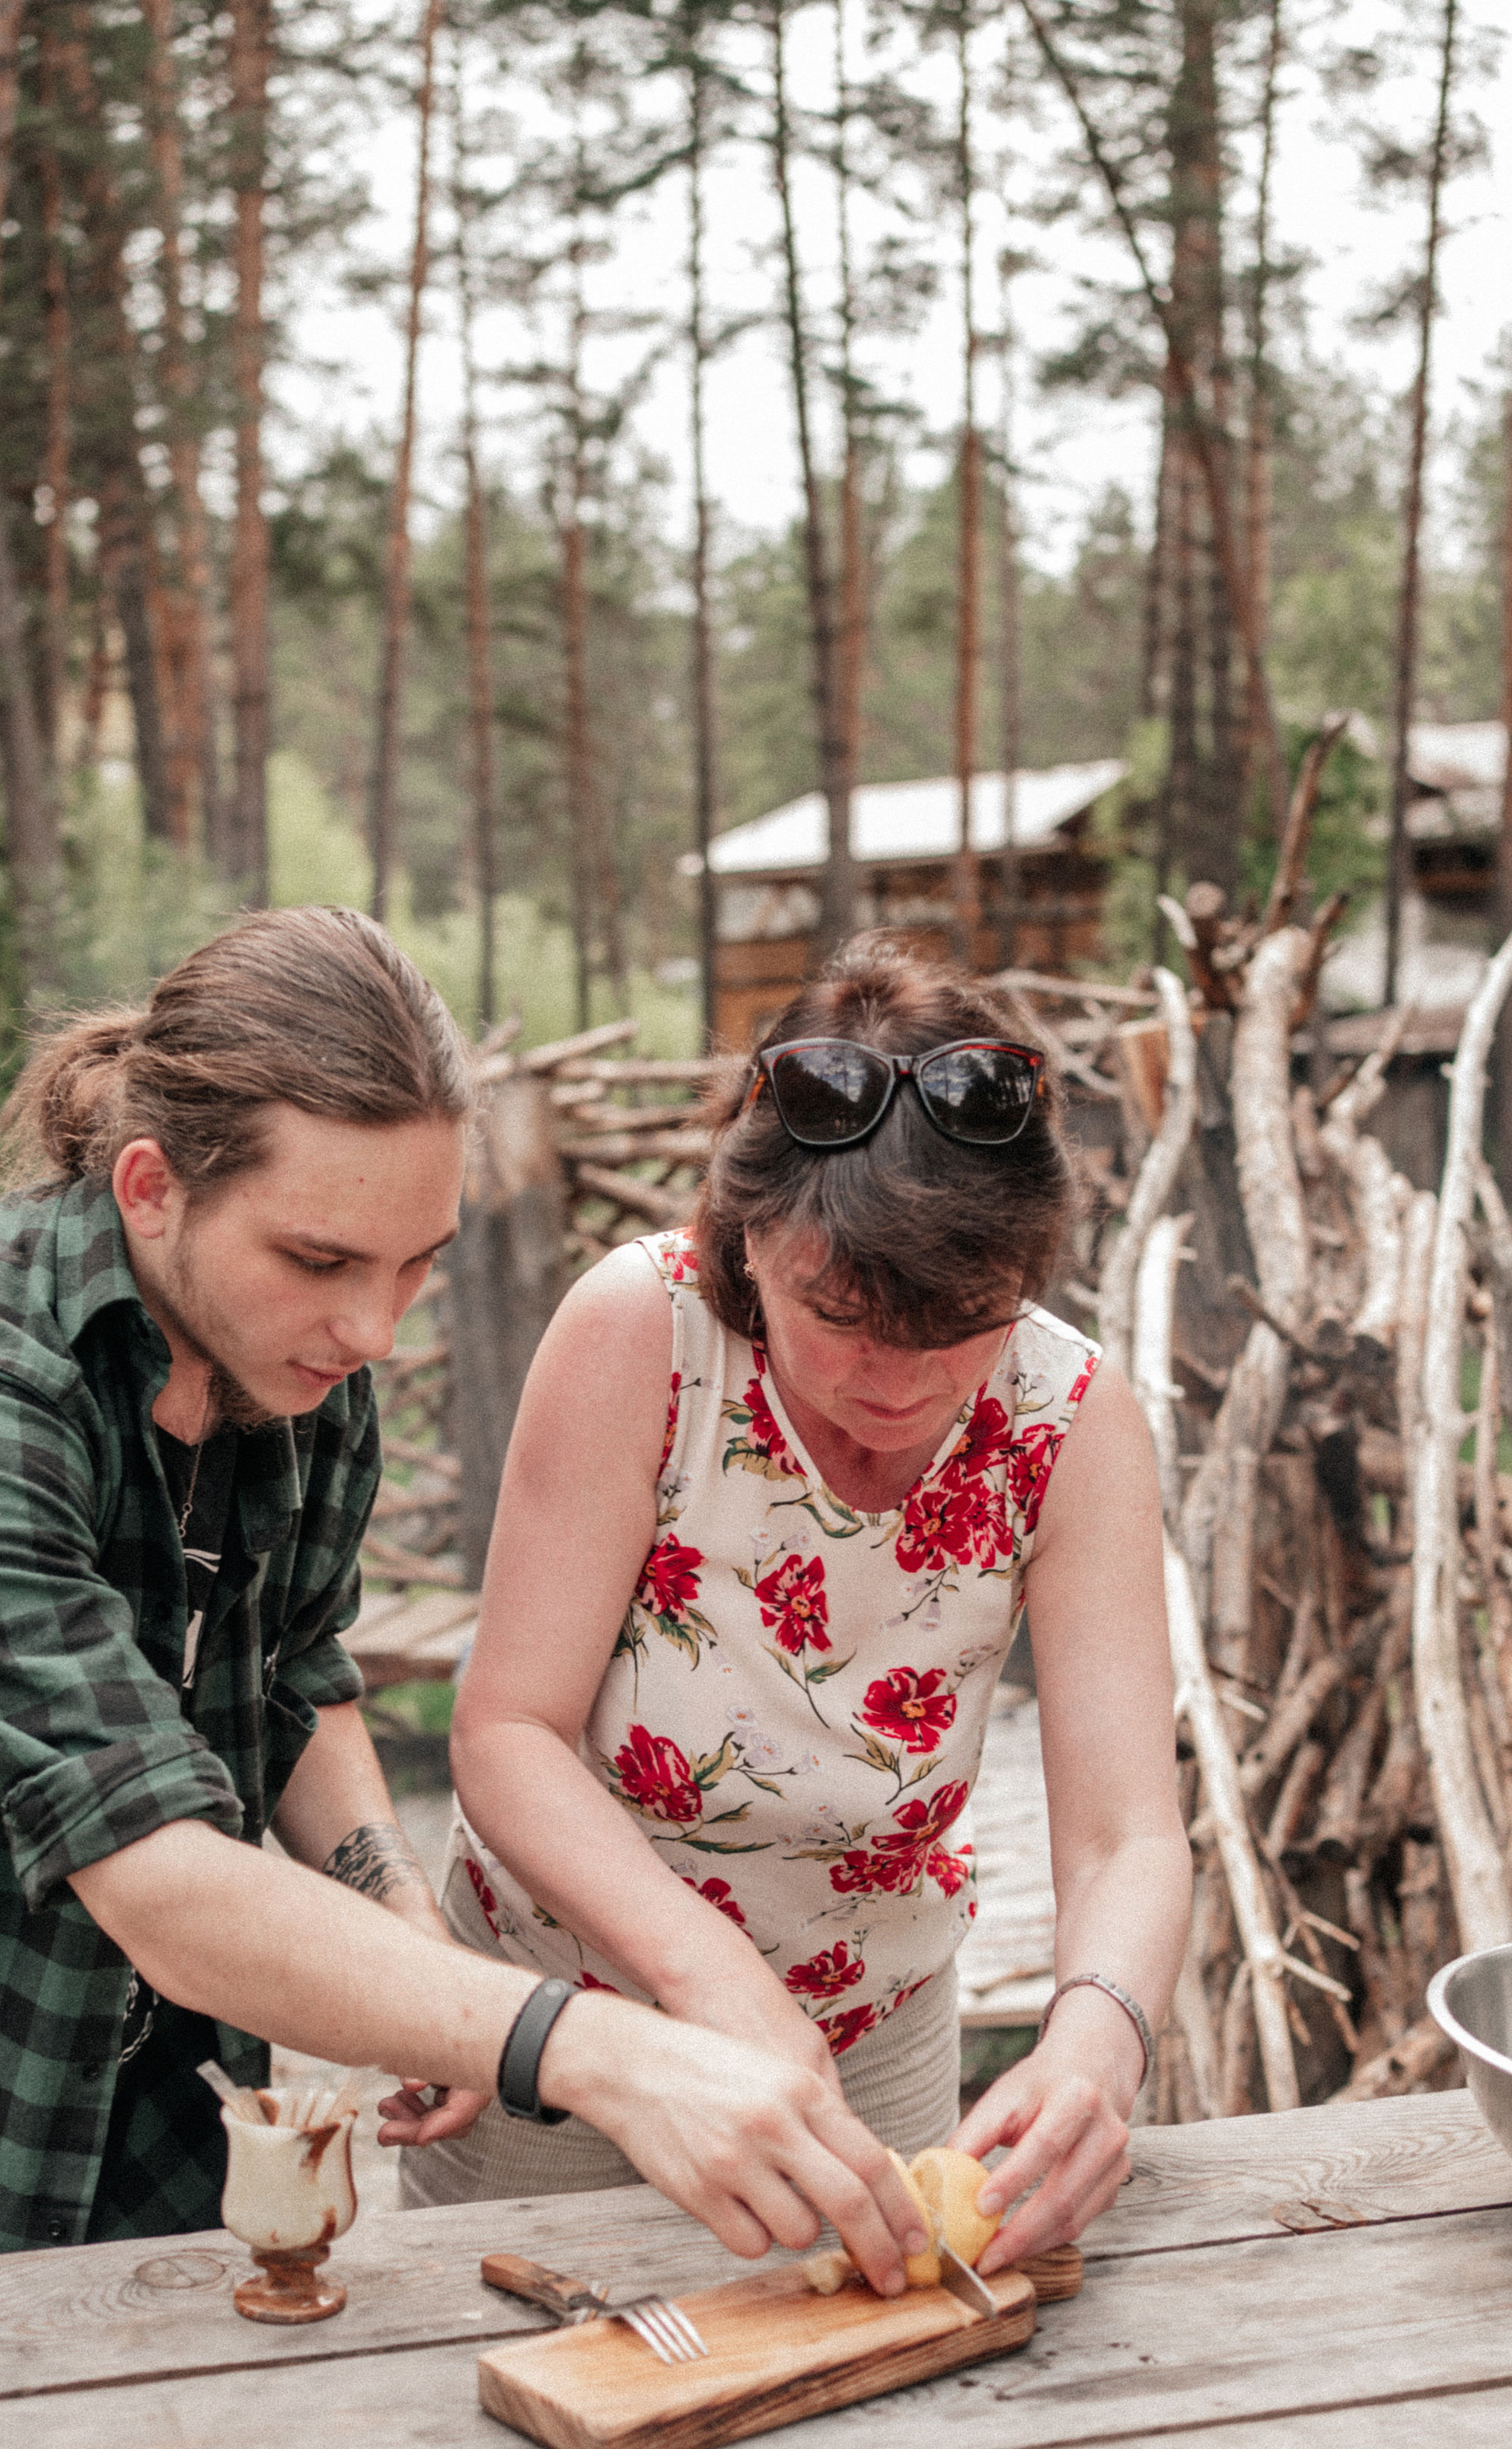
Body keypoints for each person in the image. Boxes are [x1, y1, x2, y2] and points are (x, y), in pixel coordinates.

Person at [0, 908, 928, 2293]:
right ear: (150, 1188)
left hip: (150, 2161)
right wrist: (593, 2047)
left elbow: (295, 1677)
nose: (373, 1331)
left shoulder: (297, 1370)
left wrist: (404, 1934)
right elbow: (164, 1883)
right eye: (320, 1262)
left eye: (416, 1263)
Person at [402, 938, 1191, 2272]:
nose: (900, 1379)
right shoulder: (641, 1335)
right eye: (843, 1315)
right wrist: (716, 1988)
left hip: (871, 2035)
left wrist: (1100, 2039)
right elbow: (507, 1734)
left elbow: (1126, 1832)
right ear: (747, 1236)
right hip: (578, 2031)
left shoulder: (1071, 1419)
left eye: (962, 1322)